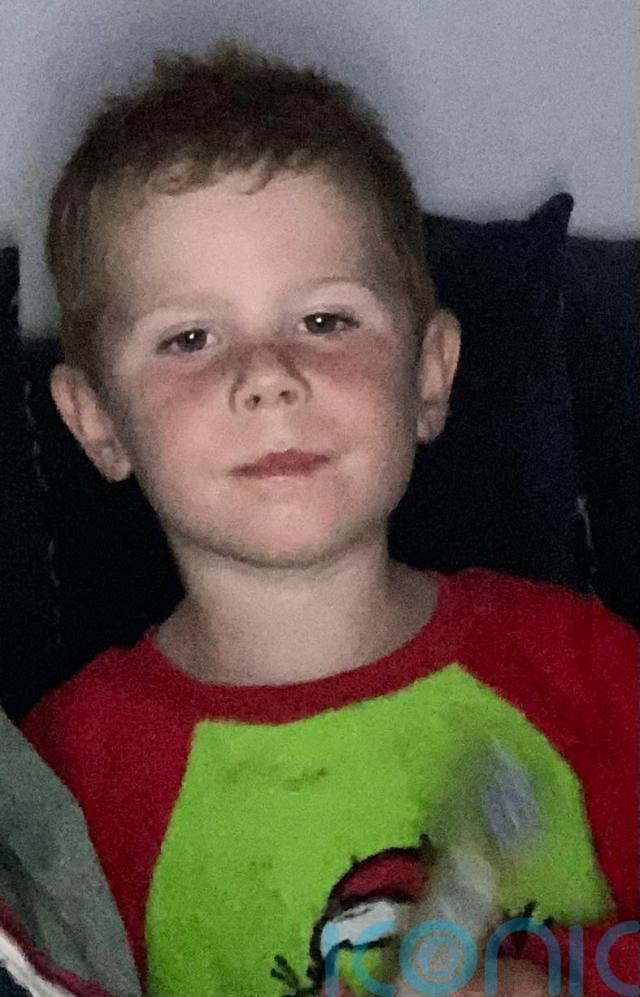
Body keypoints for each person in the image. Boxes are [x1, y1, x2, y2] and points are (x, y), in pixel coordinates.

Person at [21, 44, 638, 997]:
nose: (268, 376)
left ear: (428, 374)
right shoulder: (64, 780)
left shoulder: (586, 666)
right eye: (190, 338)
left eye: (324, 321)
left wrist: (552, 986)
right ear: (98, 421)